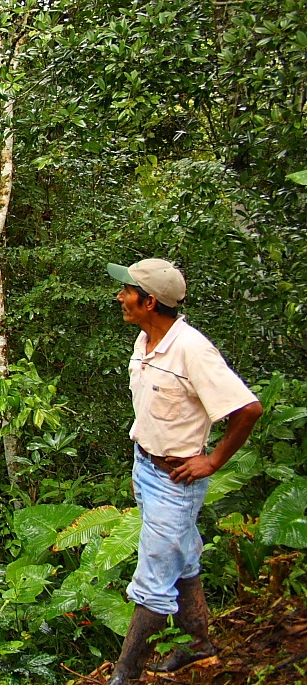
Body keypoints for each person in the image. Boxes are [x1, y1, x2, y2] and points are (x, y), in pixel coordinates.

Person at [104, 258, 263, 685]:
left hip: (176, 481)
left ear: (150, 301)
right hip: (147, 468)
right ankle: (199, 644)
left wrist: (211, 461)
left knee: (154, 578)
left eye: (128, 291)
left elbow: (247, 409)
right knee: (184, 557)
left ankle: (125, 674)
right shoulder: (146, 340)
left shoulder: (192, 349)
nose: (120, 297)